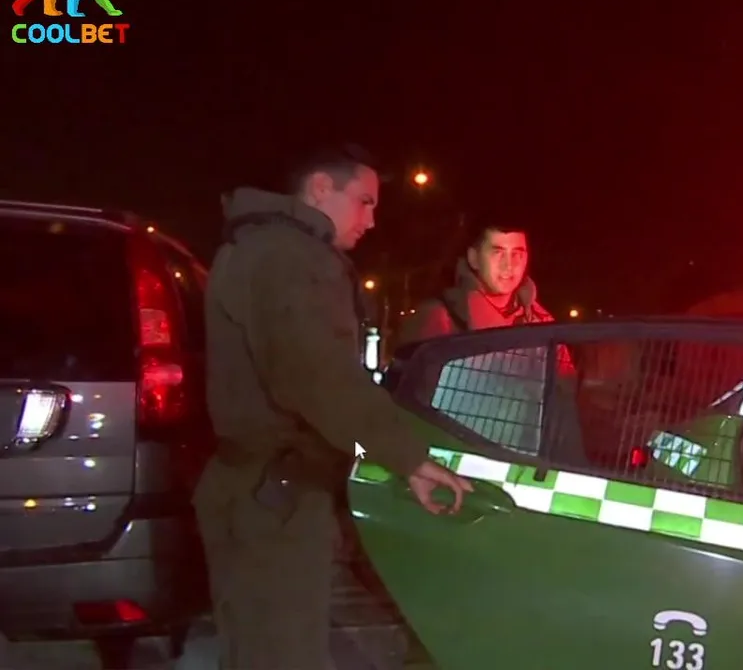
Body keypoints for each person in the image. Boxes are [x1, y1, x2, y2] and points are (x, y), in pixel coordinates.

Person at [195, 144, 473, 669]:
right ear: (321, 188)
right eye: (365, 202)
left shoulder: (259, 248)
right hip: (275, 494)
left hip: (257, 487)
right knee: (281, 652)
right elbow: (318, 374)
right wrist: (409, 457)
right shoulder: (290, 257)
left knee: (256, 645)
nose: (372, 220)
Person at [398, 218, 555, 341]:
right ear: (474, 258)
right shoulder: (439, 319)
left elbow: (563, 372)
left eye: (517, 254)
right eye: (498, 253)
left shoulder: (541, 322)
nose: (509, 265)